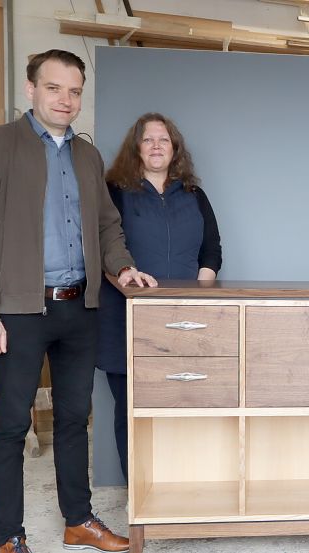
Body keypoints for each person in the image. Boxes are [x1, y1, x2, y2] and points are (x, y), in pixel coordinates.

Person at [0, 49, 157, 553]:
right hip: (19, 311)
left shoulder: (87, 156)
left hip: (79, 308)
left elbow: (108, 225)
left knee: (74, 419)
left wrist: (122, 267)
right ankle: (9, 535)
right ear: (31, 90)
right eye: (53, 88)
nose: (65, 99)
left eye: (73, 91)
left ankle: (78, 521)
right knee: (11, 424)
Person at [97, 113, 222, 480]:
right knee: (130, 410)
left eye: (163, 140)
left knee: (181, 406)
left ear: (174, 149)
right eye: (148, 140)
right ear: (136, 148)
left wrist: (198, 291)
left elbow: (212, 250)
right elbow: (105, 247)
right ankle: (137, 492)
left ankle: (176, 487)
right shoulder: (115, 192)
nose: (156, 146)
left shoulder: (195, 196)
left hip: (185, 320)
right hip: (126, 317)